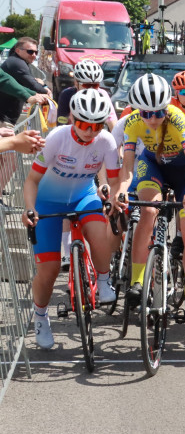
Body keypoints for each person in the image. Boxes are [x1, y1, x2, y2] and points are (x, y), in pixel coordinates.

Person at [23, 89, 120, 349]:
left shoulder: (107, 141)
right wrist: (30, 208)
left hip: (83, 196)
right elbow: (32, 180)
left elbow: (114, 179)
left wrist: (111, 196)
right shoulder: (57, 137)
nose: (89, 131)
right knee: (50, 269)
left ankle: (102, 279)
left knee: (100, 236)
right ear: (71, 118)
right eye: (83, 124)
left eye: (96, 125)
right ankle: (41, 316)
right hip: (48, 201)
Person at [115, 74, 185, 325]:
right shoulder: (133, 122)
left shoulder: (177, 118)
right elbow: (129, 168)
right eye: (146, 113)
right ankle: (137, 282)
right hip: (153, 167)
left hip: (183, 173)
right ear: (137, 110)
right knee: (148, 211)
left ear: (167, 107)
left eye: (157, 113)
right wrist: (122, 189)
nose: (152, 119)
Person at [0, 38, 50, 125]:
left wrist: (32, 94)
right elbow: (33, 85)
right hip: (4, 118)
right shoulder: (17, 63)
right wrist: (45, 88)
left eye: (36, 52)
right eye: (30, 52)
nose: (34, 55)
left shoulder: (17, 61)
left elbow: (15, 84)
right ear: (18, 51)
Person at [53, 59, 106, 127]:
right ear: (76, 83)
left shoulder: (103, 94)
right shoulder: (66, 95)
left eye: (95, 85)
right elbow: (61, 123)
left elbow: (112, 121)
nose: (91, 88)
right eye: (86, 85)